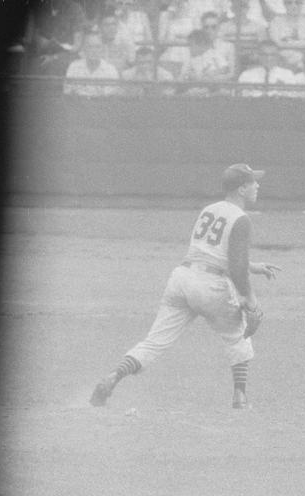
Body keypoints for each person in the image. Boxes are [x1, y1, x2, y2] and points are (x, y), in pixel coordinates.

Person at [89, 164, 281, 410]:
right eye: (253, 182)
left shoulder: (209, 210)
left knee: (154, 342)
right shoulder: (241, 219)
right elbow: (236, 267)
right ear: (241, 189)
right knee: (239, 336)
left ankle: (114, 376)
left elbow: (211, 253)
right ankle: (240, 398)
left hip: (182, 279)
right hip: (210, 287)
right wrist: (251, 300)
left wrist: (252, 266)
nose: (257, 185)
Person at [63, 32, 121, 97]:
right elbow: (67, 92)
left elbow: (111, 97)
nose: (94, 51)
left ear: (102, 49)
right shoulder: (74, 67)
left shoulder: (111, 70)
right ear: (84, 48)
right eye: (90, 47)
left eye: (97, 47)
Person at [268, 0, 305, 70]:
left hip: (304, 57)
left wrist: (287, 41)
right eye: (289, 2)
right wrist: (301, 43)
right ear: (284, 4)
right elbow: (276, 43)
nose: (294, 6)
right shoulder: (276, 21)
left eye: (297, 2)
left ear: (302, 4)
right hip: (282, 57)